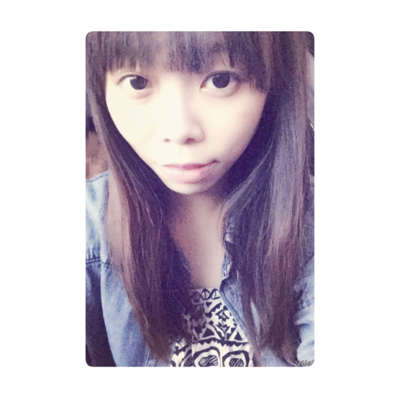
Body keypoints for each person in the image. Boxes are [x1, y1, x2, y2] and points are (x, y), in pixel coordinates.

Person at [86, 32, 314, 367]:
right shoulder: (87, 227)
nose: (179, 130)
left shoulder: (311, 225)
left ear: (276, 83)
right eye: (137, 82)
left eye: (221, 80)